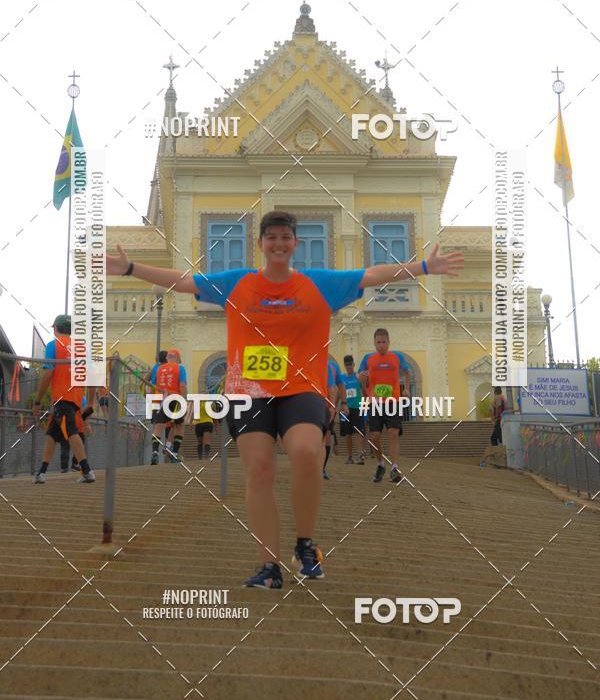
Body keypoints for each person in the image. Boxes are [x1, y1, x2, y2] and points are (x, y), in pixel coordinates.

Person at [106, 211, 463, 588]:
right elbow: (182, 282)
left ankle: (305, 544)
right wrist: (130, 267)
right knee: (258, 471)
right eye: (271, 237)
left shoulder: (319, 283)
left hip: (301, 389)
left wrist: (424, 266)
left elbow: (372, 275)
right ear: (260, 244)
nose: (278, 243)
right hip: (249, 392)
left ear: (295, 244)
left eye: (285, 237)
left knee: (308, 453)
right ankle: (269, 567)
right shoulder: (236, 282)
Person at [32, 315, 96, 483]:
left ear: (55, 329)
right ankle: (41, 472)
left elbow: (48, 373)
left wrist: (37, 401)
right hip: (75, 398)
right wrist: (89, 402)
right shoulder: (82, 348)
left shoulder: (53, 345)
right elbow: (93, 376)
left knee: (71, 431)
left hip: (61, 397)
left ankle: (87, 471)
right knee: (52, 433)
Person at [358, 329, 411, 484]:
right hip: (374, 403)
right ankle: (381, 464)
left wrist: (406, 388)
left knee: (393, 433)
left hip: (393, 401)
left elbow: (407, 372)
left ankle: (394, 467)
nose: (381, 345)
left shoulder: (397, 357)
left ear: (388, 342)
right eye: (378, 342)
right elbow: (360, 376)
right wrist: (361, 379)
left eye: (384, 342)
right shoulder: (368, 358)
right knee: (374, 436)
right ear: (374, 343)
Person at [149, 349, 188, 464]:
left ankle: (154, 452)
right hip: (175, 398)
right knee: (179, 425)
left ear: (167, 358)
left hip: (161, 399)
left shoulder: (159, 369)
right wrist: (184, 401)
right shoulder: (180, 368)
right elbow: (182, 385)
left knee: (158, 426)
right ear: (178, 358)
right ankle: (175, 453)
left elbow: (153, 385)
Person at [339, 355, 365, 464]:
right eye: (347, 365)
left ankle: (360, 455)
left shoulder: (358, 377)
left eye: (350, 364)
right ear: (345, 366)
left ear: (354, 365)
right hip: (345, 409)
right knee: (348, 433)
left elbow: (364, 391)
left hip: (357, 408)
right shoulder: (341, 378)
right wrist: (335, 406)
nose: (349, 367)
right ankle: (349, 457)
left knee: (358, 432)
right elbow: (338, 392)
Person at [323, 357, 344, 479]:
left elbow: (339, 387)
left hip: (328, 408)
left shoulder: (332, 366)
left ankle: (322, 468)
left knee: (327, 434)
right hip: (312, 405)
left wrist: (340, 404)